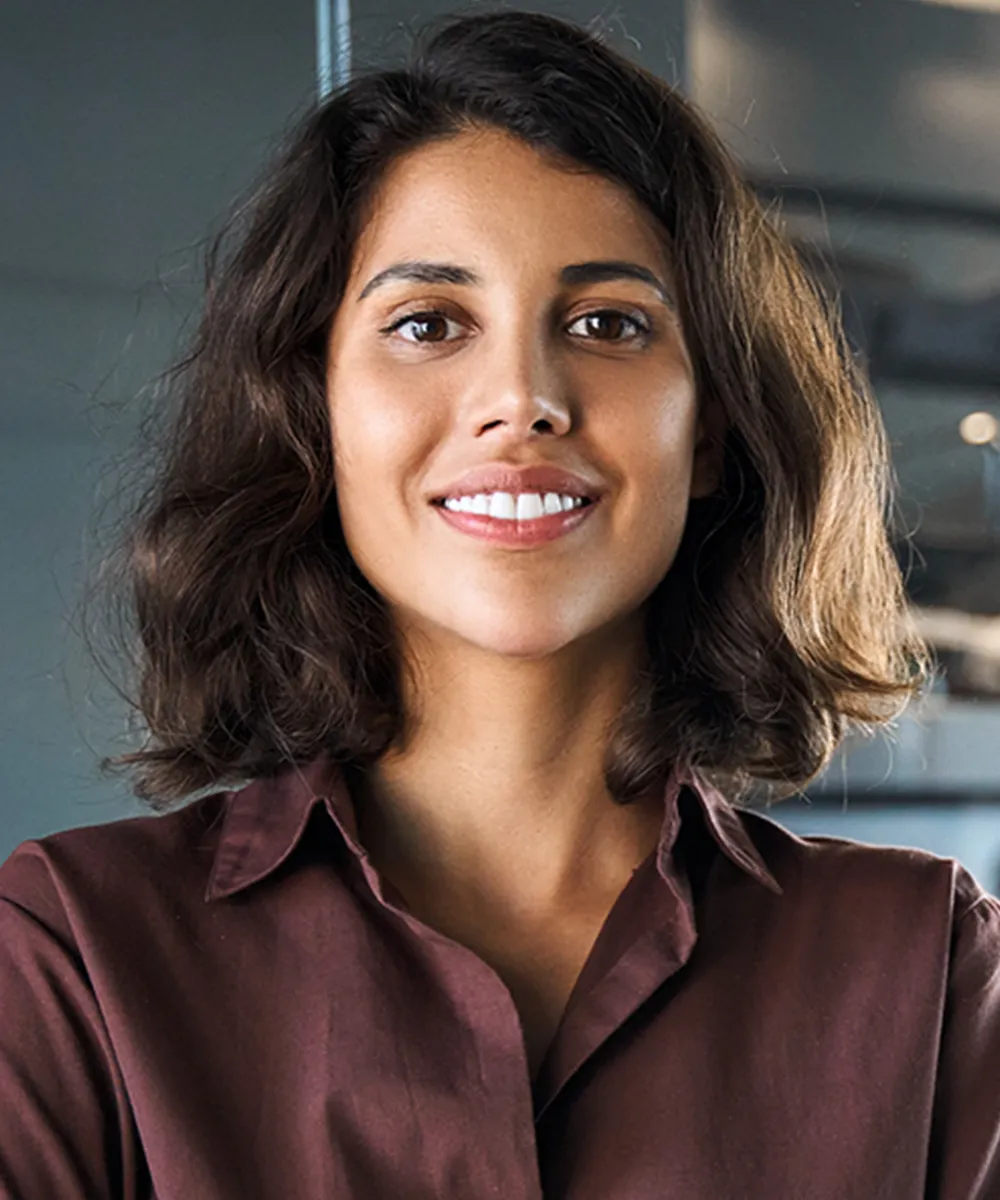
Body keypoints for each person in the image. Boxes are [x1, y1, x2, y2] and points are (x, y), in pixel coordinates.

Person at [1, 8, 997, 1198]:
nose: (522, 399)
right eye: (428, 324)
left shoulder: (929, 963)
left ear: (714, 430)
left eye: (606, 324)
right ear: (312, 414)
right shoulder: (70, 958)